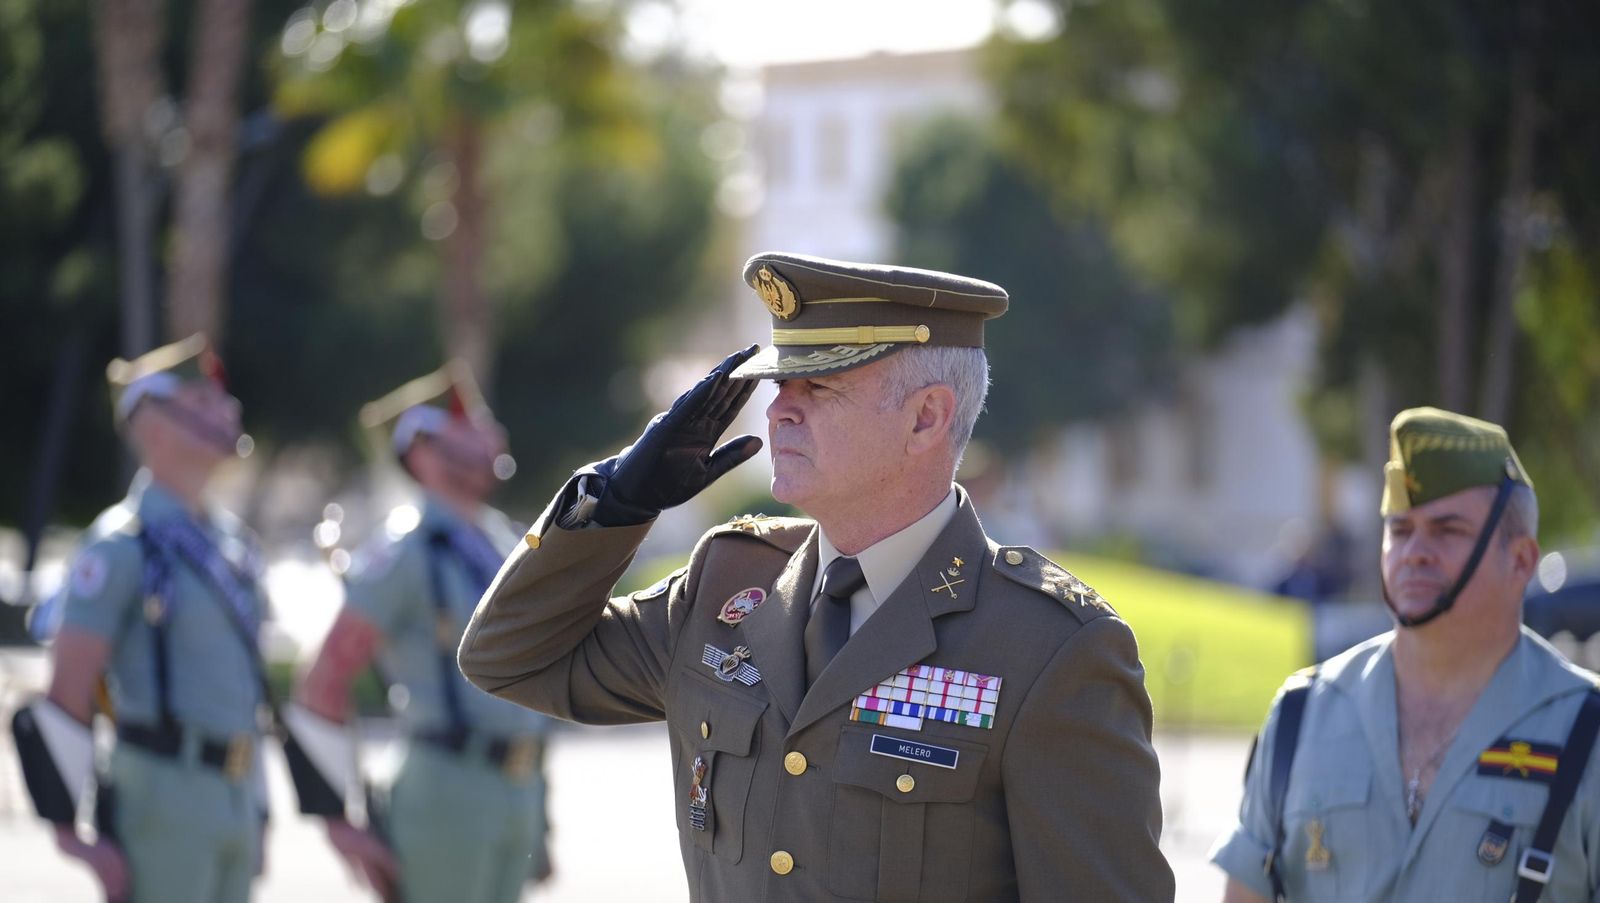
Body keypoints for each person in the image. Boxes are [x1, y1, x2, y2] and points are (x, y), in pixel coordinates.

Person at [458, 251, 1174, 901]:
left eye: (819, 385)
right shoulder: (725, 584)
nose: (778, 409)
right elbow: (510, 656)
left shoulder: (1048, 649)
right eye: (778, 383)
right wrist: (614, 502)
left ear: (927, 418)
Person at [1212, 407, 1600, 902]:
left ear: (1521, 560)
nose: (1415, 551)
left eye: (1447, 531)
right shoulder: (1302, 713)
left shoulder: (1585, 732)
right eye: (1400, 530)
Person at [293, 363, 553, 903]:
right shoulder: (405, 552)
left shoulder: (498, 537)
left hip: (515, 791)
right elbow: (322, 680)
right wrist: (336, 819)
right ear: (423, 451)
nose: (490, 432)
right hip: (446, 792)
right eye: (468, 422)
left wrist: (539, 810)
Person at [24, 335, 268, 902]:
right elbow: (67, 691)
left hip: (232, 797)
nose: (228, 411)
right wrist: (71, 836)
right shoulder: (120, 545)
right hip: (162, 794)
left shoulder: (231, 543)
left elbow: (242, 692)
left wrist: (258, 806)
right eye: (203, 403)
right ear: (154, 425)